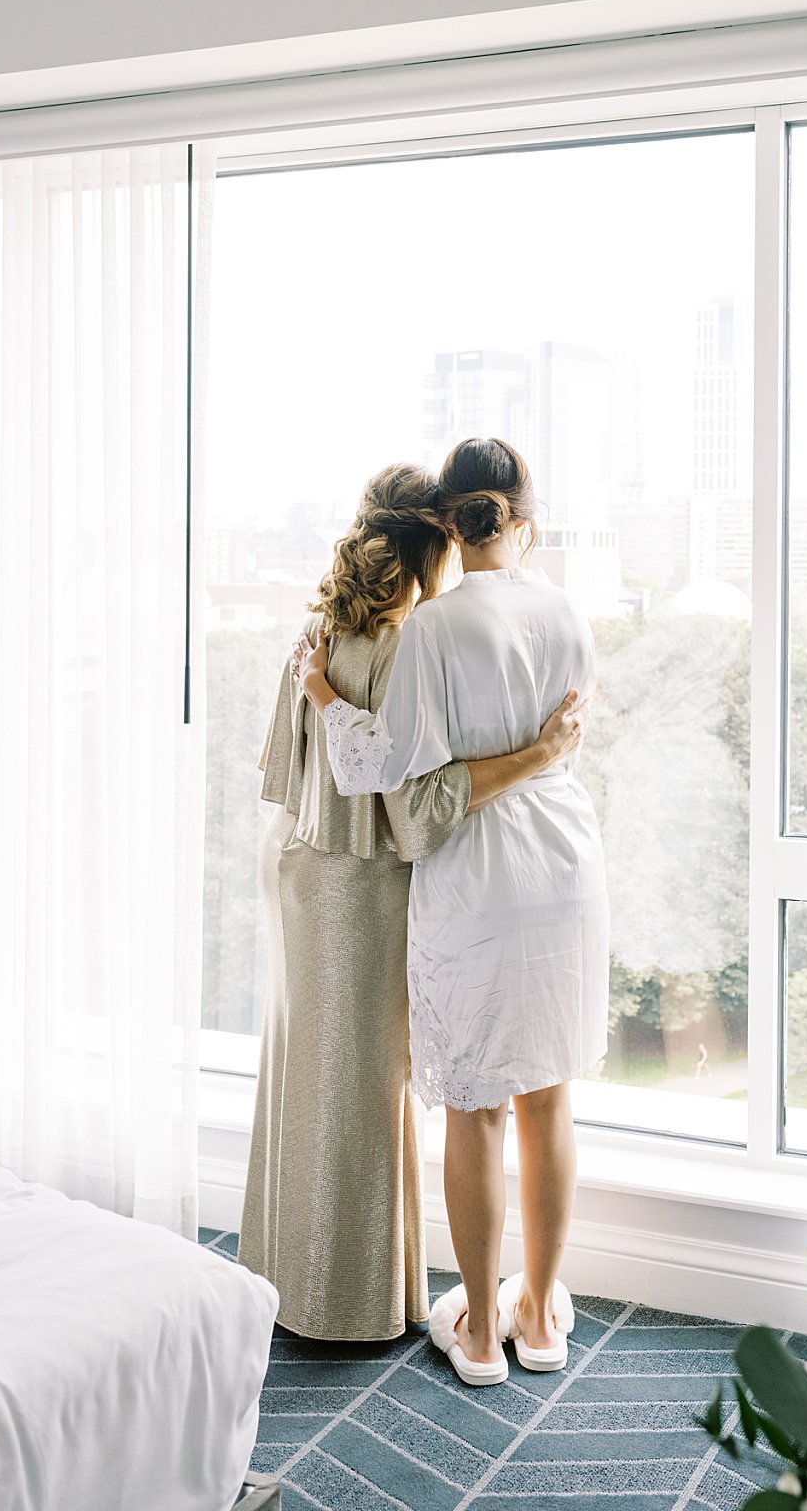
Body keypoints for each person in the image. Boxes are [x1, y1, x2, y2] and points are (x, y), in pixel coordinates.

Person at [243, 463, 582, 1341]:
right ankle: (356, 1304)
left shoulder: (322, 631)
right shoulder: (420, 641)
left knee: (308, 1075)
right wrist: (541, 757)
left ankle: (286, 1274)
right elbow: (415, 808)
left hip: (294, 865)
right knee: (377, 1093)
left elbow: (285, 772)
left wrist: (321, 693)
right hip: (369, 885)